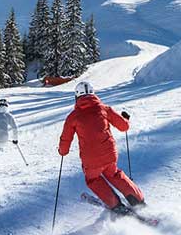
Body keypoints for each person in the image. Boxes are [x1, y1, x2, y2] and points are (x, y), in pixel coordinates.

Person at [58, 81, 145, 214]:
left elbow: (65, 139)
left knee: (93, 179)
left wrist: (62, 151)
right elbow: (124, 126)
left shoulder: (73, 117)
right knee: (114, 174)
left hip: (91, 160)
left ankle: (116, 206)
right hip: (109, 154)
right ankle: (138, 200)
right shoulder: (104, 109)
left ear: (76, 97)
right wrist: (125, 119)